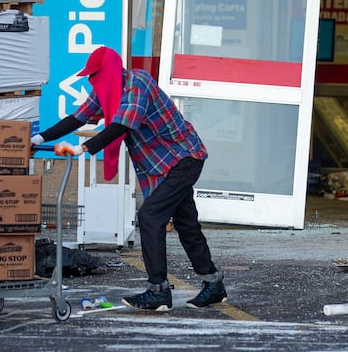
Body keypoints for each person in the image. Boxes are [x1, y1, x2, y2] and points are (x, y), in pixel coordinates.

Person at [31, 46, 227, 311]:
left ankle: (158, 291)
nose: (93, 81)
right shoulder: (107, 93)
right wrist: (39, 138)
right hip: (161, 165)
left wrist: (82, 149)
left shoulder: (138, 83)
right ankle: (213, 284)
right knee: (186, 223)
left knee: (150, 217)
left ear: (110, 70)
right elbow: (77, 118)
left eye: (96, 75)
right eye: (91, 76)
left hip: (183, 157)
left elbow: (122, 125)